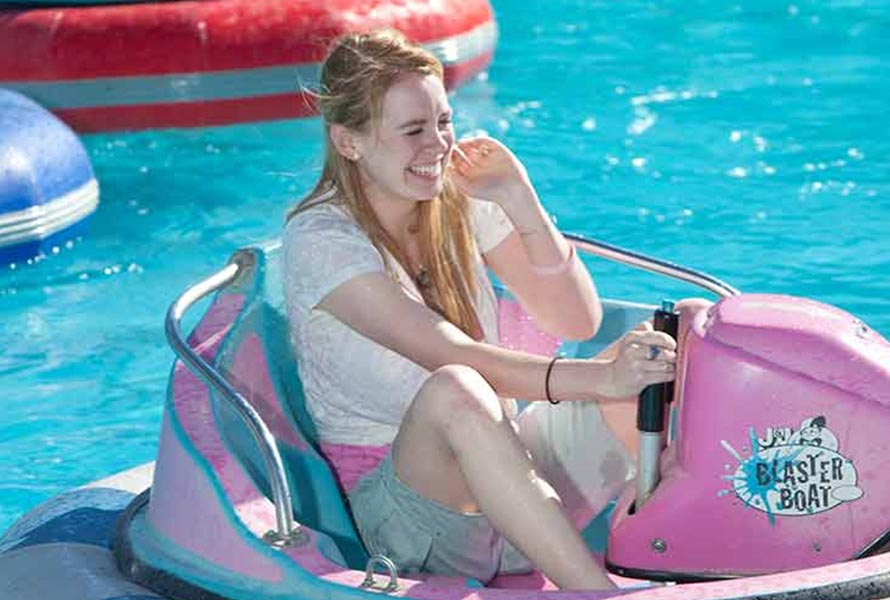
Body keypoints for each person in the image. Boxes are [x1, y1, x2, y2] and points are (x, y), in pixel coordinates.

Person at [283, 30, 699, 590]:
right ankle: (593, 592)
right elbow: (452, 356)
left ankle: (689, 557)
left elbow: (577, 321)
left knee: (678, 337)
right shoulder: (320, 239)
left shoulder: (453, 201)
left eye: (443, 122)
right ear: (350, 142)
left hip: (511, 481)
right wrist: (601, 377)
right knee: (457, 386)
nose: (437, 145)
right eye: (413, 130)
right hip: (412, 526)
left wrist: (518, 198)